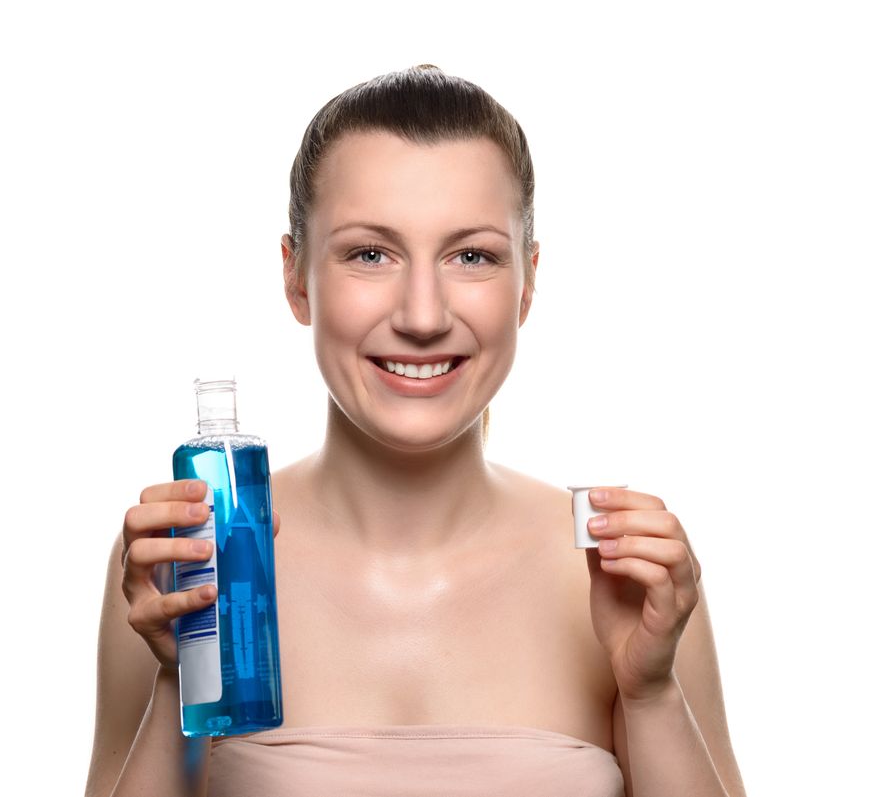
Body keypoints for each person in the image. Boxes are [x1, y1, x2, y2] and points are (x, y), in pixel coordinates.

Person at [86, 64, 747, 797]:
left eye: (472, 256)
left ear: (527, 282)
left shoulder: (623, 573)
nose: (424, 315)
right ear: (296, 277)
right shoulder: (190, 562)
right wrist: (181, 675)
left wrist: (651, 694)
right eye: (371, 253)